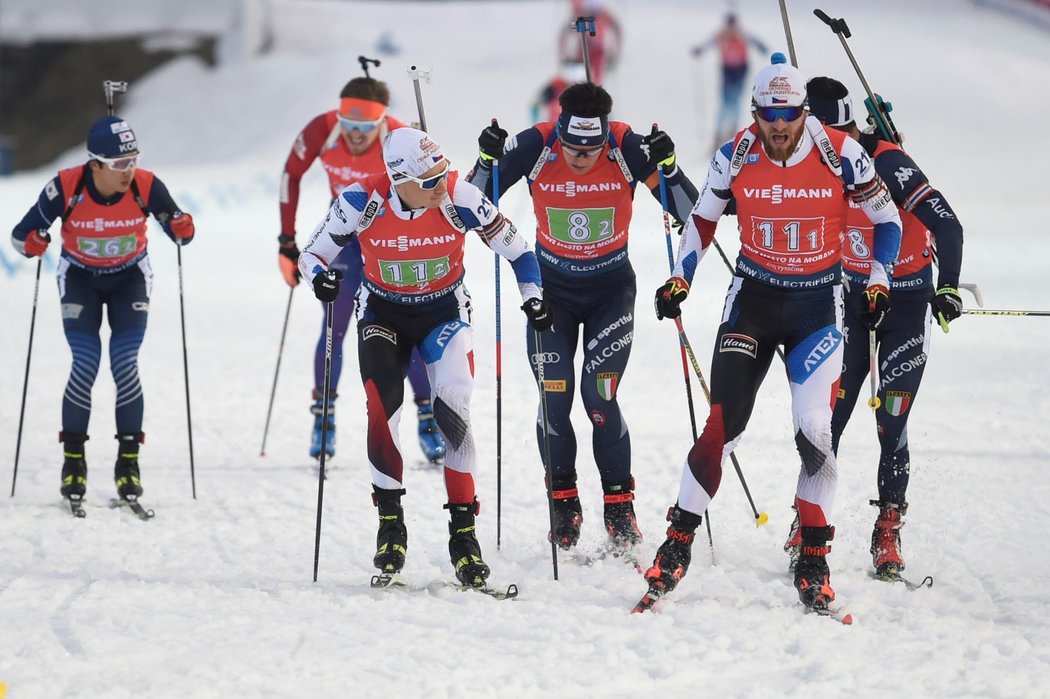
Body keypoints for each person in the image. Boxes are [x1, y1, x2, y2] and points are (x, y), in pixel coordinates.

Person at [639, 54, 903, 612]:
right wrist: (680, 277)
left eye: (789, 115)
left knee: (814, 433)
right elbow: (704, 219)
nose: (779, 127)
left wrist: (878, 279)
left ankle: (813, 558)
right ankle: (678, 539)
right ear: (755, 112)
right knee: (721, 425)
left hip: (817, 307)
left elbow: (889, 221)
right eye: (768, 115)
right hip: (754, 300)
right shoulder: (735, 153)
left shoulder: (841, 152)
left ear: (805, 112)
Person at [298, 127, 548, 587]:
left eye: (443, 174)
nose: (441, 185)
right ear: (399, 180)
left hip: (443, 312)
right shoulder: (360, 201)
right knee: (382, 407)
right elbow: (311, 254)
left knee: (453, 406)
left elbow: (519, 250)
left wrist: (532, 297)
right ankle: (391, 527)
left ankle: (464, 536)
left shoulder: (460, 196)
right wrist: (320, 280)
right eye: (429, 181)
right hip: (382, 313)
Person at [467, 82, 698, 552]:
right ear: (560, 131)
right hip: (551, 292)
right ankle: (564, 503)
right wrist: (486, 161)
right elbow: (467, 206)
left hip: (610, 291)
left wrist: (669, 167)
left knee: (599, 397)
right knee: (554, 397)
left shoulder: (625, 146)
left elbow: (690, 213)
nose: (580, 155)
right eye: (572, 146)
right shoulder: (536, 144)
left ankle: (619, 507)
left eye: (590, 148)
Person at [788, 76, 964, 581]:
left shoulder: (887, 163)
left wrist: (947, 287)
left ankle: (888, 528)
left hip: (905, 302)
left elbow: (948, 225)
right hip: (849, 301)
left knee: (892, 418)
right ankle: (808, 523)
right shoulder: (805, 163)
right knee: (827, 419)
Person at [10, 115, 195, 507]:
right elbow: (19, 236)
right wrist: (32, 243)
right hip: (80, 280)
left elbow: (179, 228)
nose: (129, 170)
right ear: (95, 164)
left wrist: (181, 227)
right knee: (85, 361)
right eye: (120, 163)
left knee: (125, 361)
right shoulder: (66, 186)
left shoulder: (145, 185)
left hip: (129, 279)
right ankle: (73, 460)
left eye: (134, 159)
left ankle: (128, 462)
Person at [278, 75, 446, 465]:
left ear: (381, 123)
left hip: (386, 241)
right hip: (342, 241)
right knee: (334, 323)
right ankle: (324, 418)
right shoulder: (322, 128)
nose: (354, 135)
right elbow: (291, 175)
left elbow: (434, 186)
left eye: (365, 128)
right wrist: (287, 240)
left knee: (406, 325)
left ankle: (426, 414)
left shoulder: (400, 137)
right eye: (348, 125)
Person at [691, 12, 769, 149]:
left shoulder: (742, 33)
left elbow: (756, 41)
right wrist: (699, 50)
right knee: (725, 102)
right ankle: (719, 135)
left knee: (736, 101)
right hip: (727, 71)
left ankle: (733, 131)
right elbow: (708, 42)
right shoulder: (721, 34)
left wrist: (762, 48)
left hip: (740, 70)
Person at [557, 0, 622, 85]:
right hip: (583, 50)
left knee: (596, 81)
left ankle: (594, 94)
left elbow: (617, 30)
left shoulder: (604, 14)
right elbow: (565, 33)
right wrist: (564, 52)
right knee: (579, 79)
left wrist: (615, 52)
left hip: (598, 52)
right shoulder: (580, 14)